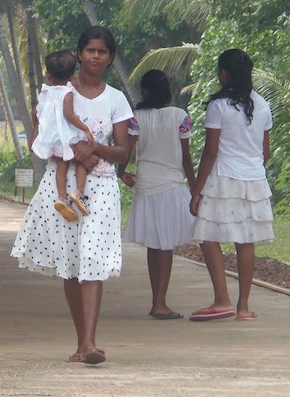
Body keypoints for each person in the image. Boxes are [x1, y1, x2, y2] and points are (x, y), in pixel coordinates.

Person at [12, 26, 132, 365]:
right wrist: (75, 154)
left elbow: (123, 152)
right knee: (71, 264)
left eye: (103, 51)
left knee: (92, 259)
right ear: (79, 54)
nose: (96, 56)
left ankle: (90, 343)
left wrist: (94, 148)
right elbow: (41, 142)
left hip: (102, 188)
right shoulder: (55, 93)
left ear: (110, 58)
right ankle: (82, 342)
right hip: (62, 186)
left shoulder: (116, 99)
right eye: (90, 50)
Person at [189, 49, 274, 322]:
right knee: (245, 241)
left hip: (223, 177)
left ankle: (221, 299)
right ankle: (243, 307)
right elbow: (266, 151)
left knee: (207, 235)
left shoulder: (219, 106)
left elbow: (211, 152)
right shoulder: (262, 104)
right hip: (254, 180)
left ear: (223, 73)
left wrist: (197, 190)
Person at [119, 70, 196, 320]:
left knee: (155, 245)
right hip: (172, 186)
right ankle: (159, 303)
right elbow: (186, 158)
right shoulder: (181, 117)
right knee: (165, 247)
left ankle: (158, 301)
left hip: (146, 186)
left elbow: (126, 151)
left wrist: (121, 173)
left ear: (145, 92)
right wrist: (196, 190)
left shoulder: (136, 118)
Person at [31, 49, 94, 222]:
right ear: (73, 75)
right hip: (66, 136)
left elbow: (36, 113)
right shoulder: (67, 93)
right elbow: (69, 115)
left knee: (61, 166)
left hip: (51, 137)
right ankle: (78, 193)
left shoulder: (45, 92)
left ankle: (61, 197)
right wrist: (86, 129)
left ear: (47, 75)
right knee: (81, 161)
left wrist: (41, 133)